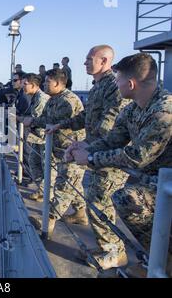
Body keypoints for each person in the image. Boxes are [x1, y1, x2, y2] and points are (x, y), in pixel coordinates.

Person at [67, 53, 172, 273]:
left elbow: (138, 155)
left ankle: (164, 264)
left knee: (126, 199)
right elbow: (113, 139)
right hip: (155, 179)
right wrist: (83, 148)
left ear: (131, 83)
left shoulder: (164, 112)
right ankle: (157, 260)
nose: (116, 83)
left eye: (118, 79)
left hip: (165, 183)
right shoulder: (132, 109)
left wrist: (92, 159)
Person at [47, 45, 131, 270]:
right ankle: (107, 247)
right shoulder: (98, 87)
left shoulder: (113, 86)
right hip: (96, 152)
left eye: (88, 59)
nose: (84, 62)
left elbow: (111, 122)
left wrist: (87, 145)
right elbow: (87, 116)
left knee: (101, 201)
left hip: (108, 156)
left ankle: (114, 252)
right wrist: (61, 126)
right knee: (95, 199)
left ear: (104, 61)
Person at [29, 69, 86, 237]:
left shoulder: (68, 100)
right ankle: (81, 213)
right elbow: (46, 117)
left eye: (47, 82)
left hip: (72, 151)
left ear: (58, 83)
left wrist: (31, 121)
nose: (45, 84)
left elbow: (52, 121)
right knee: (72, 184)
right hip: (60, 149)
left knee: (63, 186)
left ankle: (48, 221)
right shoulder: (54, 99)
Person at [21, 73, 50, 198]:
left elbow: (37, 118)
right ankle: (41, 189)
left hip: (44, 138)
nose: (23, 86)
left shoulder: (41, 98)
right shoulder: (34, 97)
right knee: (34, 163)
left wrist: (27, 121)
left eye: (25, 84)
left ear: (33, 85)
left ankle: (45, 193)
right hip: (37, 138)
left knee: (45, 166)